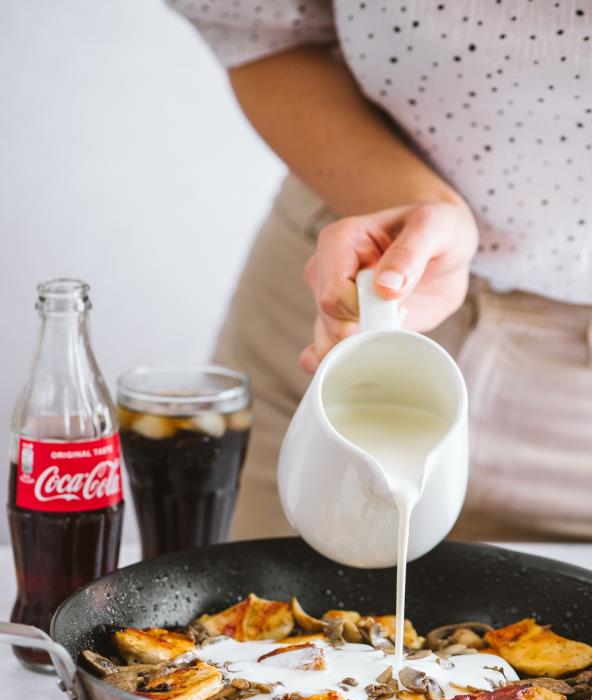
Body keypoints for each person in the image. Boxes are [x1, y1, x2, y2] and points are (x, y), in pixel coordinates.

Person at [167, 1, 592, 543]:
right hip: (345, 282)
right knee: (244, 592)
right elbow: (256, 31)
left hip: (580, 422)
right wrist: (420, 204)